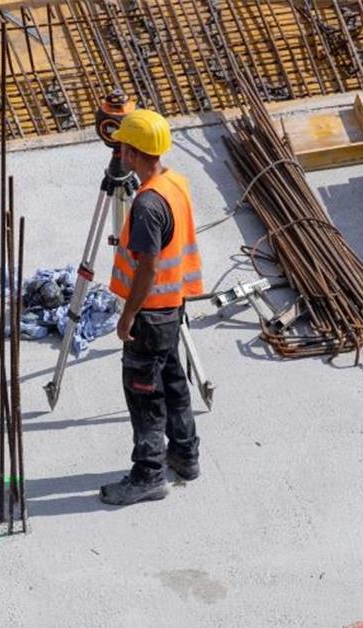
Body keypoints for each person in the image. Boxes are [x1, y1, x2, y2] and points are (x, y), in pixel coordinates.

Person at [100, 108, 204, 506]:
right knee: (174, 381)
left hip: (149, 313)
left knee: (144, 395)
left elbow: (148, 266)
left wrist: (127, 314)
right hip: (172, 306)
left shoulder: (145, 205)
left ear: (129, 153)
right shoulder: (175, 182)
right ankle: (185, 453)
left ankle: (149, 474)